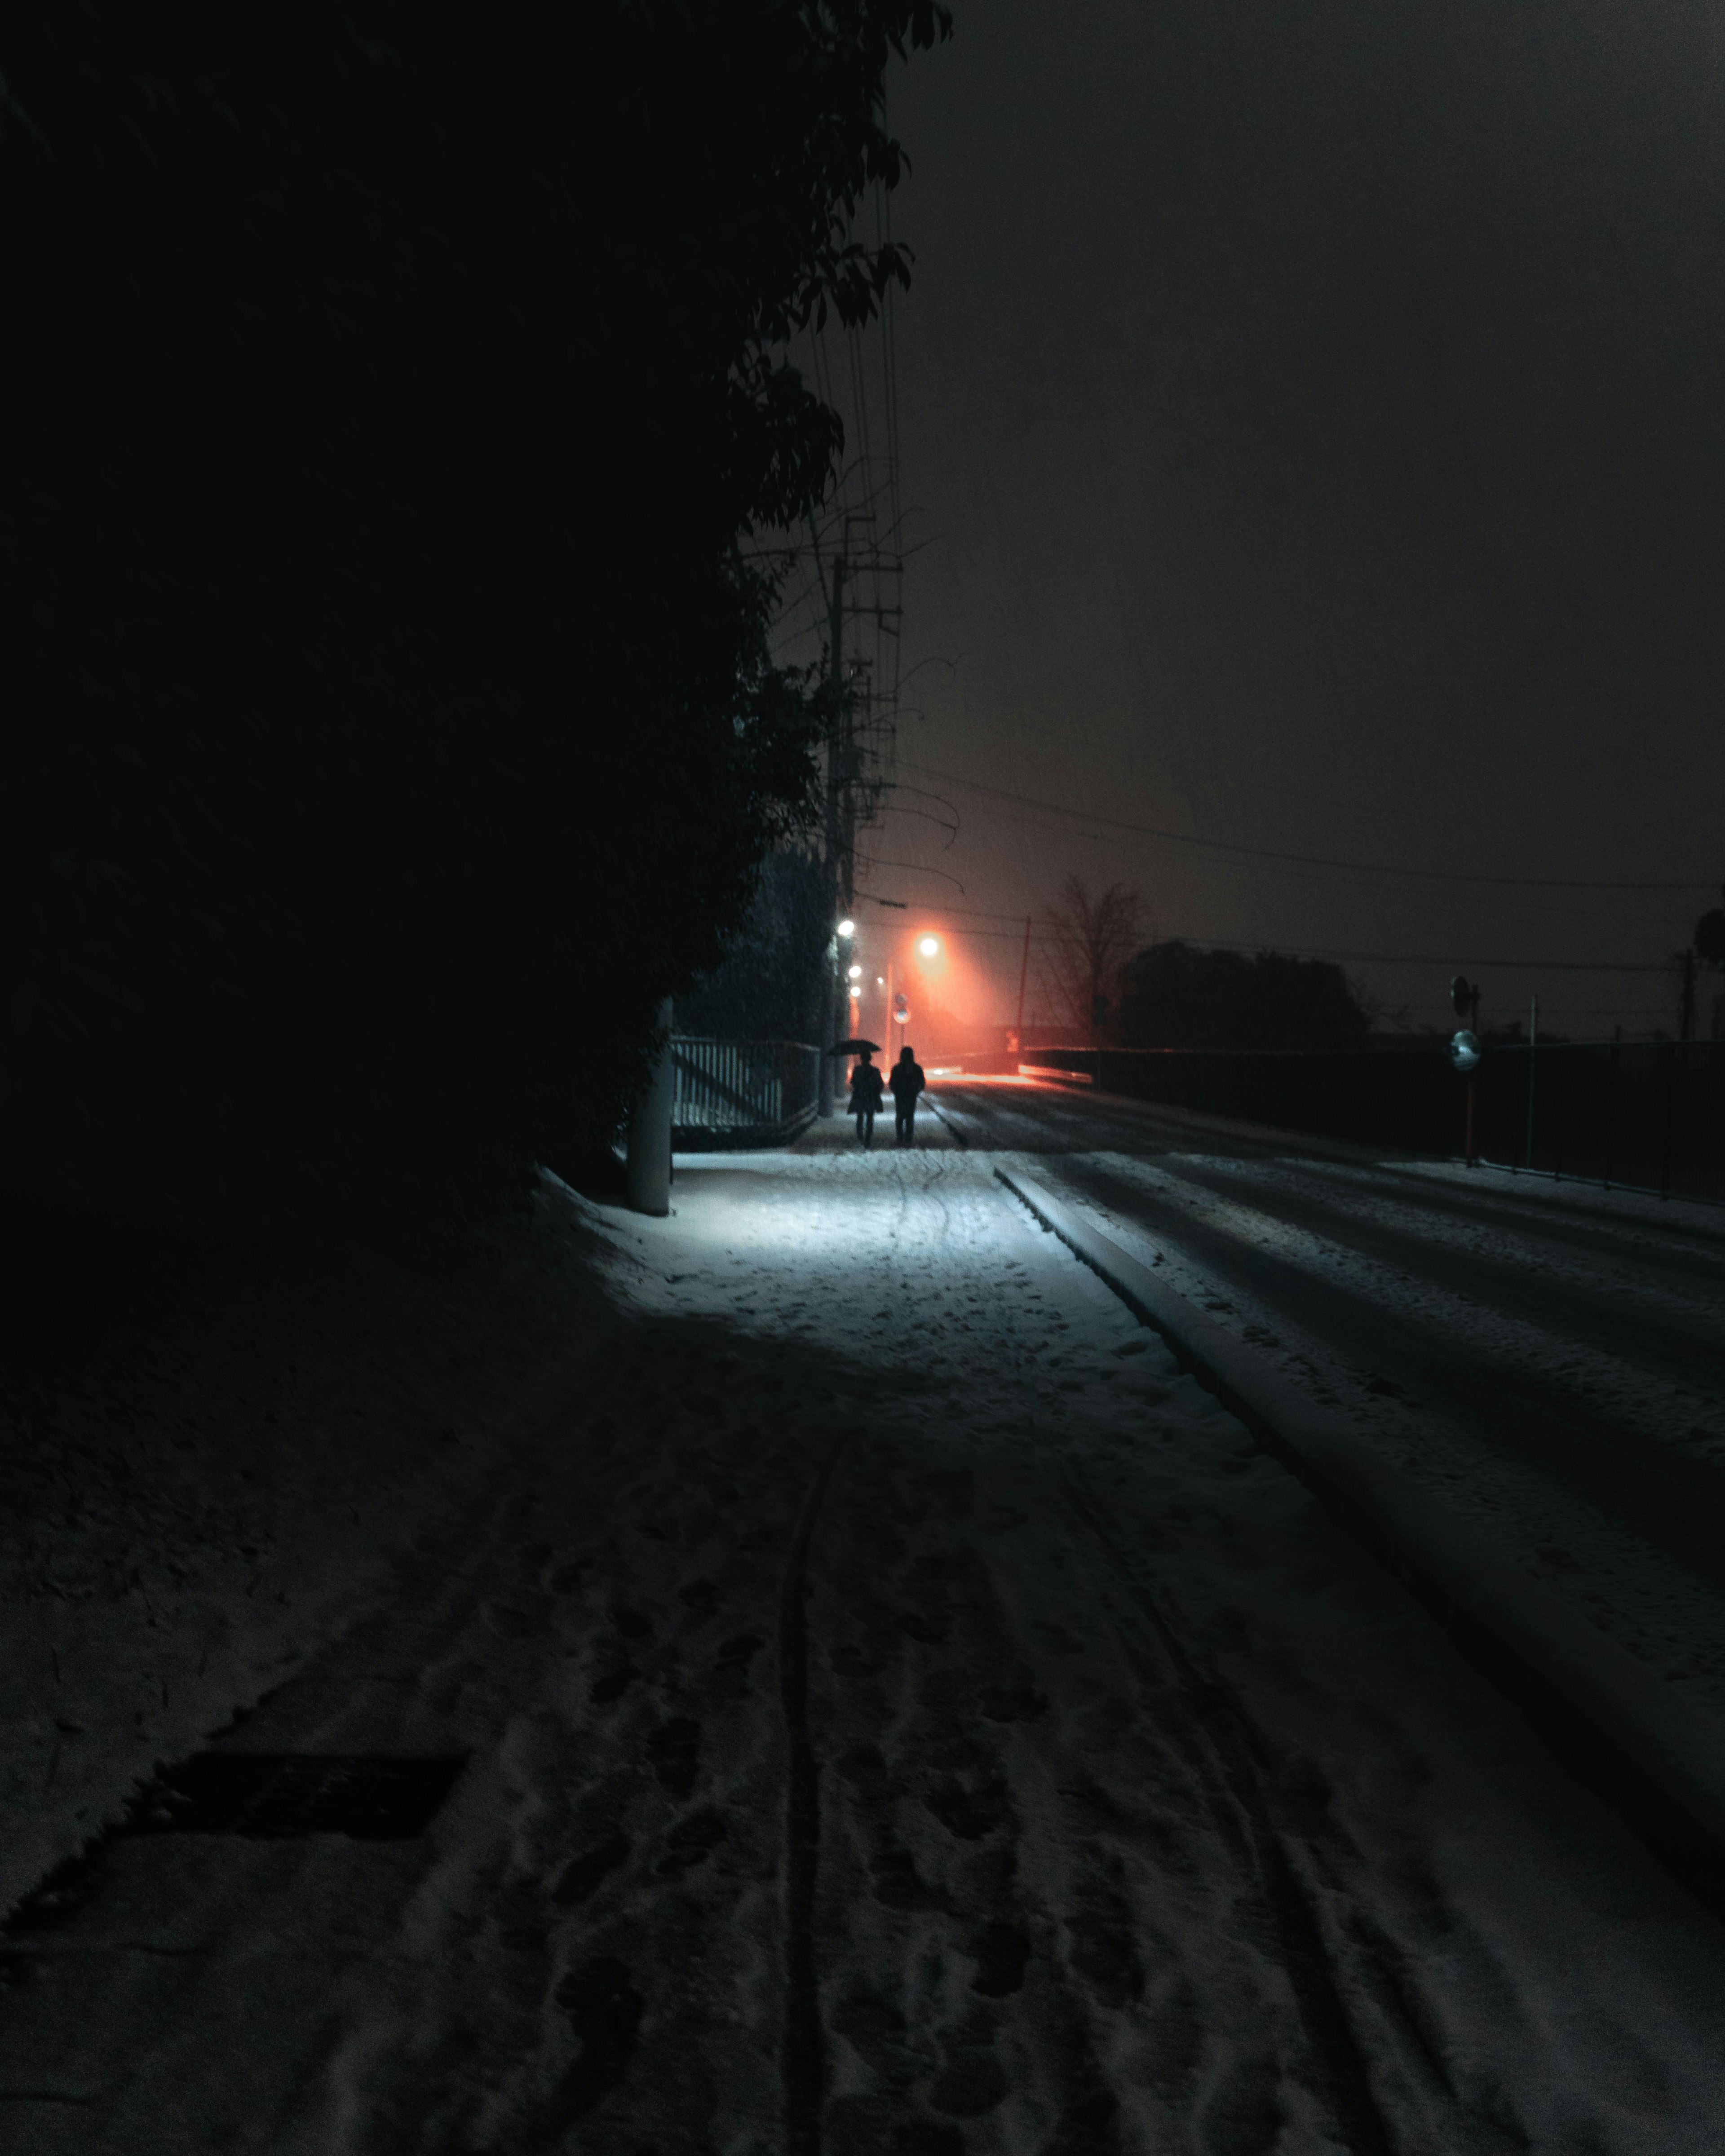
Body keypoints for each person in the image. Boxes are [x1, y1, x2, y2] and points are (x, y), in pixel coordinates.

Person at [889, 1044, 926, 1145]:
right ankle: (908, 1138)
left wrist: (897, 1091)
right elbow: (922, 1083)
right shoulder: (917, 1069)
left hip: (901, 1096)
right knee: (910, 1117)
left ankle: (900, 1137)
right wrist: (916, 1091)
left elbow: (892, 1082)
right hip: (911, 1096)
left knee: (900, 1117)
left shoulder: (897, 1069)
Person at [848, 1049, 885, 1148]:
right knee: (870, 1118)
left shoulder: (857, 1070)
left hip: (860, 1096)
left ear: (861, 1059)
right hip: (871, 1096)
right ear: (870, 1059)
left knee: (860, 1117)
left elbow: (853, 1082)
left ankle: (861, 1137)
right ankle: (868, 1139)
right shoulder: (875, 1071)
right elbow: (880, 1084)